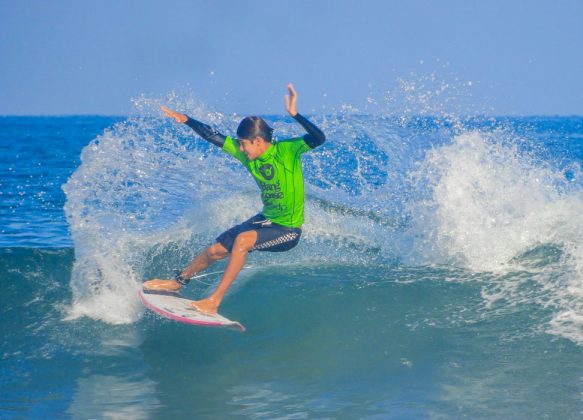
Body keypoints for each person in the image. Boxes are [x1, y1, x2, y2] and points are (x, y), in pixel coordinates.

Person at [144, 84, 326, 314]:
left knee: (242, 241)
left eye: (244, 143)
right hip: (266, 220)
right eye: (239, 143)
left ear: (258, 141)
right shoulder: (247, 155)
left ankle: (214, 301)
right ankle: (177, 282)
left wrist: (295, 115)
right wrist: (187, 119)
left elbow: (319, 138)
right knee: (214, 251)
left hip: (288, 230)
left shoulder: (287, 151)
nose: (240, 147)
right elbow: (214, 136)